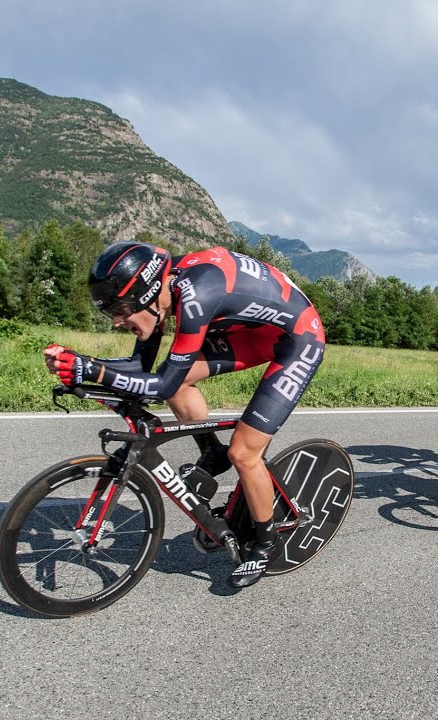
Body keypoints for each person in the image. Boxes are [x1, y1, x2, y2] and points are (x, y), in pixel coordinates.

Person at [43, 241, 326, 589]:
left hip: (298, 338)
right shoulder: (162, 291)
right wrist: (81, 365)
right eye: (110, 313)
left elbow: (160, 385)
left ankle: (266, 545)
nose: (117, 322)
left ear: (147, 294)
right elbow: (139, 368)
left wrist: (94, 371)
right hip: (252, 332)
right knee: (176, 380)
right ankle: (211, 452)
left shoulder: (197, 293)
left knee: (244, 451)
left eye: (121, 310)